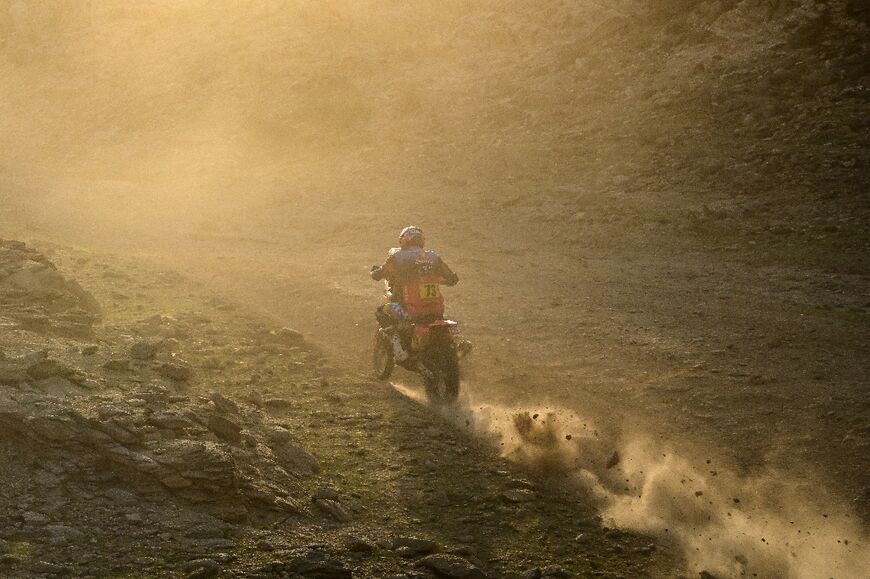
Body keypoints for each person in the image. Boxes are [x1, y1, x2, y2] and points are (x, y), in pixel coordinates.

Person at [371, 226, 458, 362]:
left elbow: (380, 273)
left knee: (381, 312)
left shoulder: (399, 257)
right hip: (437, 311)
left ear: (404, 240)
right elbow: (452, 279)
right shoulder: (433, 257)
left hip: (412, 312)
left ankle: (399, 349)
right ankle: (456, 344)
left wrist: (374, 273)